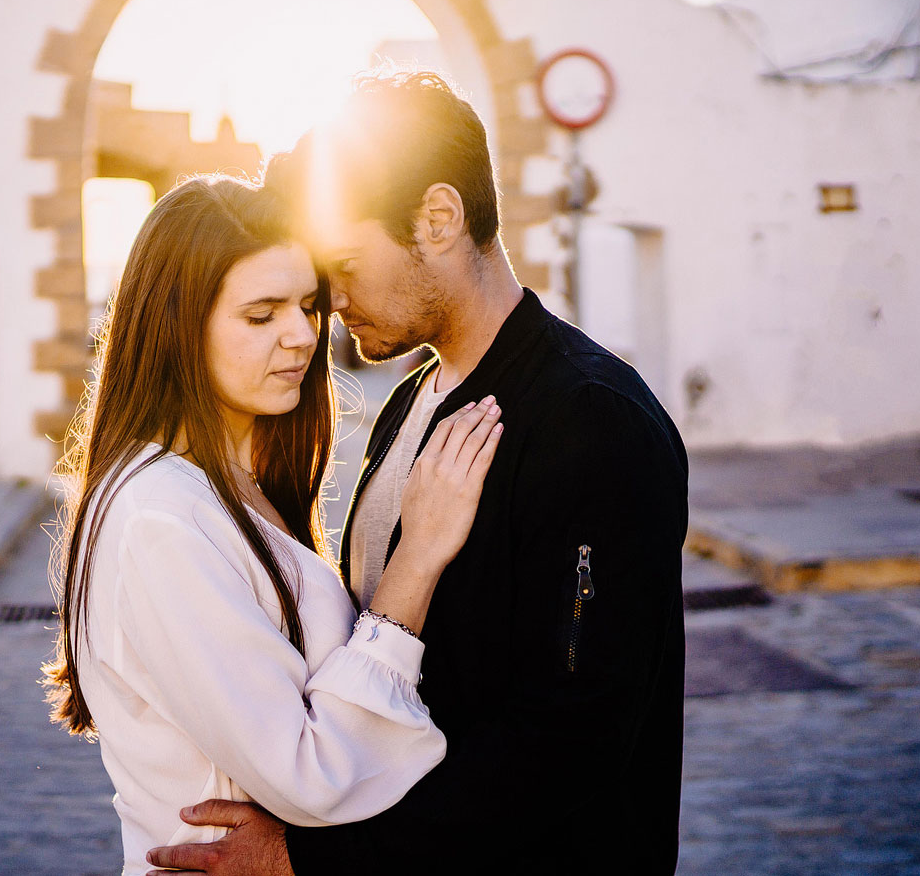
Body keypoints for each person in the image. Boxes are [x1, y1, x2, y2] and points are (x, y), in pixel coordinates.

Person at [145, 71, 690, 875]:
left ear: (438, 218)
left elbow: (571, 740)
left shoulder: (591, 417)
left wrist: (313, 860)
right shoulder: (407, 402)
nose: (324, 301)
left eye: (342, 263)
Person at [42, 174, 505, 875]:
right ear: (176, 326)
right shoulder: (157, 516)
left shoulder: (229, 482)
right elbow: (309, 773)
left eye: (309, 304)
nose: (302, 334)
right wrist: (419, 557)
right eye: (261, 314)